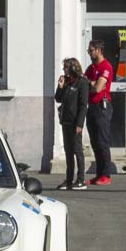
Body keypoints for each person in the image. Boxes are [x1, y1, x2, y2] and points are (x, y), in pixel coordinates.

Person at [54, 57, 89, 190]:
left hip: (75, 122)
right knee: (68, 151)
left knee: (77, 150)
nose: (64, 70)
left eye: (66, 67)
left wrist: (80, 124)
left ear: (73, 68)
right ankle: (69, 180)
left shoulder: (82, 82)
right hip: (66, 121)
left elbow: (83, 105)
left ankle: (81, 179)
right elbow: (58, 99)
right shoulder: (67, 83)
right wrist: (60, 86)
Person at [84, 40, 114, 185]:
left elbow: (98, 88)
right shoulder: (91, 68)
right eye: (89, 51)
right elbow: (84, 83)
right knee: (95, 142)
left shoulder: (105, 67)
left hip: (102, 106)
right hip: (92, 106)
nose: (89, 53)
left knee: (102, 141)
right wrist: (91, 82)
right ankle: (99, 173)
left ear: (98, 50)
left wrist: (90, 83)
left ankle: (106, 175)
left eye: (91, 51)